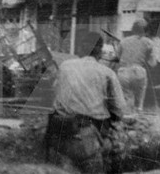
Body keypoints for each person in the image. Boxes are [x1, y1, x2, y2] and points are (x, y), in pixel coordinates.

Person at [45, 32, 126, 173]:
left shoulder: (64, 66)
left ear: (81, 49)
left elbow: (55, 92)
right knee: (116, 150)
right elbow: (119, 110)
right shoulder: (107, 73)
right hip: (87, 136)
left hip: (58, 131)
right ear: (100, 50)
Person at [117, 18, 157, 112]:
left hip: (123, 72)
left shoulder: (123, 41)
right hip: (138, 72)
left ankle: (124, 121)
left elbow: (118, 57)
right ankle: (137, 116)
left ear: (133, 29)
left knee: (124, 101)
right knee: (138, 103)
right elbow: (153, 63)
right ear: (146, 30)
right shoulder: (148, 42)